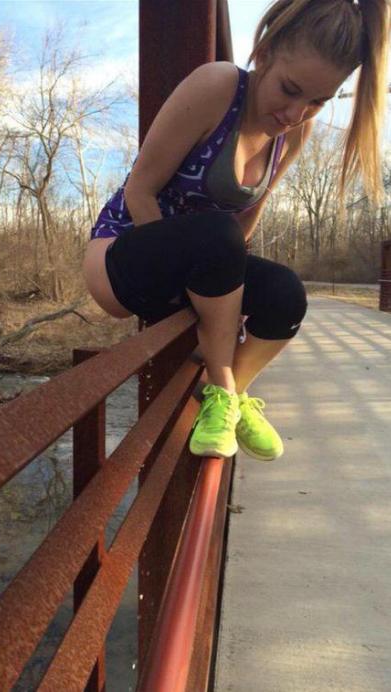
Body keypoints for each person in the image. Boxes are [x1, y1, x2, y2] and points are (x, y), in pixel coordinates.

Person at [83, 0, 390, 461]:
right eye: (290, 89)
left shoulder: (295, 133)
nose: (295, 112)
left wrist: (220, 289)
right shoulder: (218, 86)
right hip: (122, 256)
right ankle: (224, 382)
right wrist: (201, 294)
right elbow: (139, 192)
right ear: (263, 52)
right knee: (215, 236)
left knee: (286, 292)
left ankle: (223, 396)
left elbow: (246, 221)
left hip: (202, 262)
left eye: (317, 101)